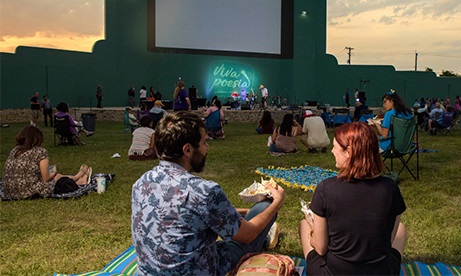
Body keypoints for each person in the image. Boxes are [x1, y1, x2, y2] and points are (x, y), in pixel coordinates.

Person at [131, 111, 285, 275]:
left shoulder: (141, 183)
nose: (207, 147)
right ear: (188, 150)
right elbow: (248, 235)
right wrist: (277, 202)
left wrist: (243, 212)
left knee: (248, 217)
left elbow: (180, 213)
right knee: (264, 208)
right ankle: (266, 233)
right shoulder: (204, 191)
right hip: (199, 270)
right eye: (204, 142)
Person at [299, 122, 407, 275]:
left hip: (334, 273)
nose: (331, 151)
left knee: (304, 224)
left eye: (335, 146)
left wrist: (312, 232)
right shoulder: (390, 188)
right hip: (380, 272)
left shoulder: (326, 188)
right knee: (401, 229)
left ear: (349, 151)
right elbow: (387, 243)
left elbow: (321, 248)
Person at [2, 126, 93, 200]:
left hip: (10, 191)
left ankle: (77, 179)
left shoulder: (15, 150)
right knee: (56, 177)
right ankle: (78, 177)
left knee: (52, 177)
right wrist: (53, 173)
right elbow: (46, 178)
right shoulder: (40, 152)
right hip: (27, 191)